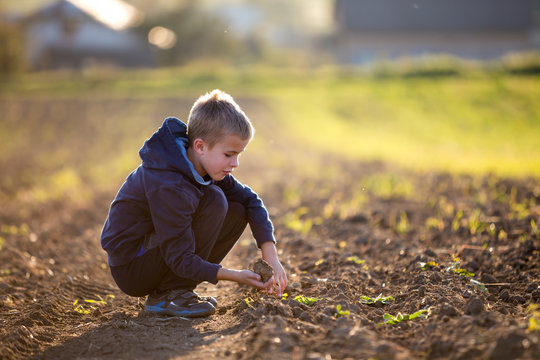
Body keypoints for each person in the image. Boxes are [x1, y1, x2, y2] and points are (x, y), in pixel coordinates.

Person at [100, 89, 287, 318]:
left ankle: (176, 291)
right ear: (200, 146)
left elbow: (251, 201)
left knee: (237, 208)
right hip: (132, 266)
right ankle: (169, 296)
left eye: (239, 154)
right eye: (228, 154)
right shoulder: (169, 183)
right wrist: (234, 275)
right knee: (216, 200)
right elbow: (179, 256)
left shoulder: (200, 164)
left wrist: (270, 253)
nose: (235, 163)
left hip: (156, 250)